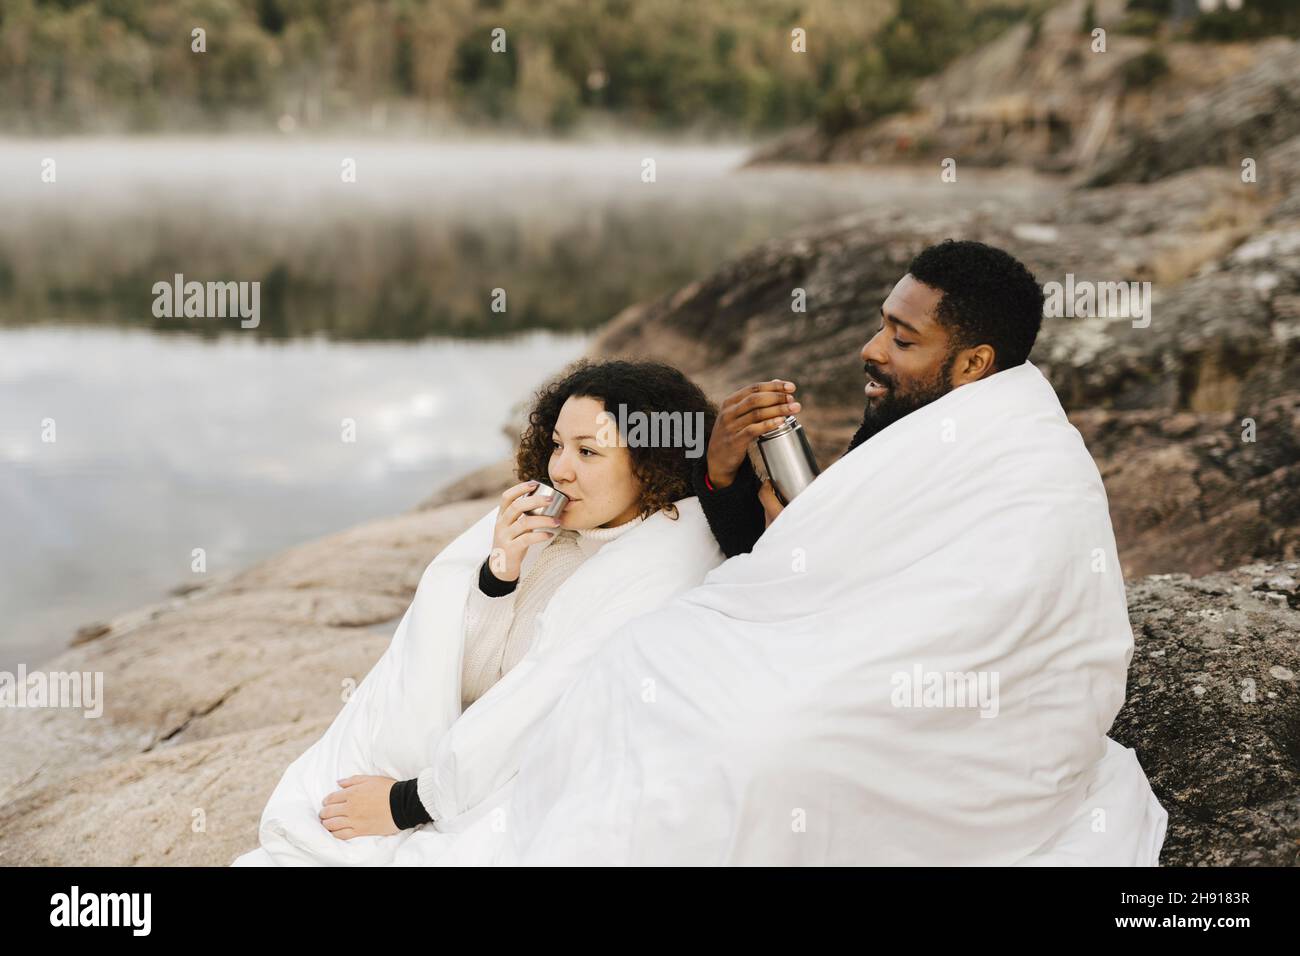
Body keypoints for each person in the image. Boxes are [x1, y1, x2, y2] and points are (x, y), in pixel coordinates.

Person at [486, 240, 1169, 866]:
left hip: (966, 706)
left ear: (974, 363)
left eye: (902, 339)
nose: (873, 349)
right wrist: (722, 475)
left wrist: (807, 558)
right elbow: (803, 564)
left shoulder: (1028, 454)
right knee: (641, 658)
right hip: (858, 651)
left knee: (760, 750)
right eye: (882, 324)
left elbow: (983, 607)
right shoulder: (920, 419)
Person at [232, 359, 725, 865]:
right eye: (557, 445)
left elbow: (542, 705)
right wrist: (500, 575)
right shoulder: (539, 526)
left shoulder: (658, 563)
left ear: (652, 463)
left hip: (521, 780)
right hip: (451, 755)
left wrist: (406, 803)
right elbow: (463, 683)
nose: (560, 469)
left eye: (588, 452)